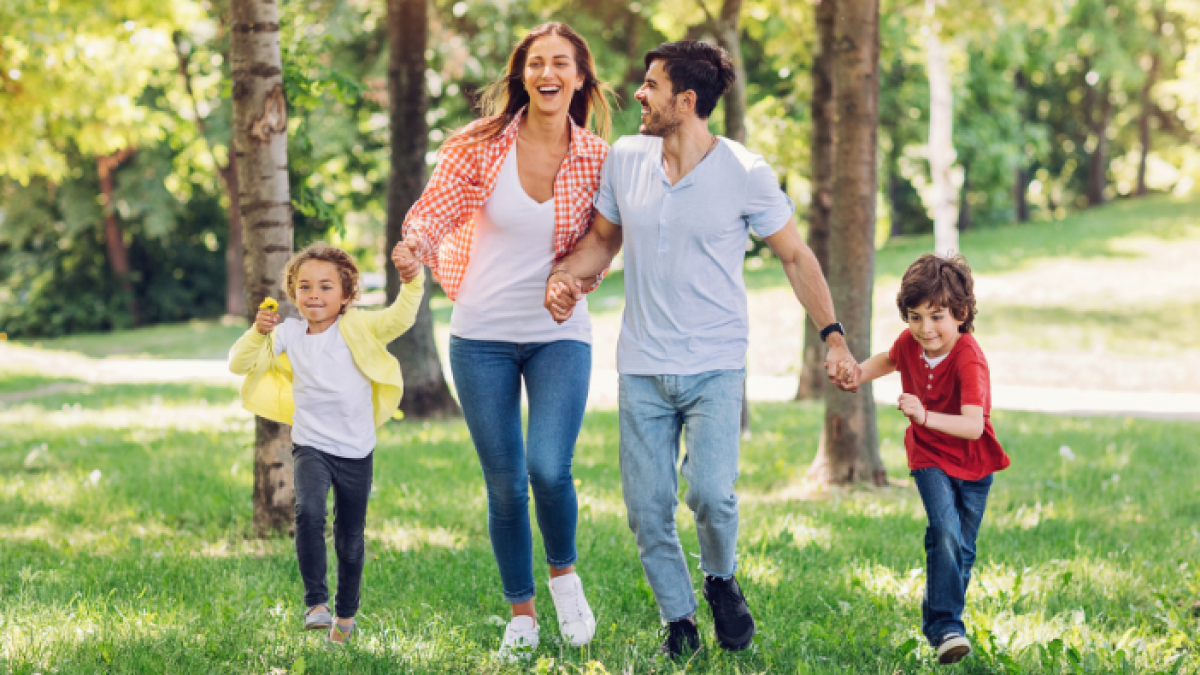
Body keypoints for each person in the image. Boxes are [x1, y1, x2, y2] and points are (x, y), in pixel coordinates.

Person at [543, 40, 855, 660]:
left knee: (712, 494)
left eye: (651, 86)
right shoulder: (626, 158)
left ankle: (719, 580)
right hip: (641, 367)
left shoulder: (744, 172)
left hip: (714, 362)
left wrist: (833, 336)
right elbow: (603, 242)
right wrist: (566, 278)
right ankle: (679, 621)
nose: (638, 93)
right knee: (648, 508)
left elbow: (795, 255)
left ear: (685, 102)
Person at [391, 22, 613, 659]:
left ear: (579, 78)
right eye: (536, 63)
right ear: (521, 76)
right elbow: (440, 206)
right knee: (505, 484)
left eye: (560, 63)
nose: (548, 73)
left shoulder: (598, 156)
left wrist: (575, 280)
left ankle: (564, 576)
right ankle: (522, 611)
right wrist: (417, 248)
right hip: (481, 334)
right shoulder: (480, 144)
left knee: (549, 467)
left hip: (559, 333)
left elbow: (605, 237)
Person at [228, 241, 424, 645]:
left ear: (347, 295)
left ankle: (346, 616)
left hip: (355, 450)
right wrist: (256, 333)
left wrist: (412, 281)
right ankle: (316, 604)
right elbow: (238, 363)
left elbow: (400, 319)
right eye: (304, 287)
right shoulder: (288, 332)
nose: (313, 295)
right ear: (292, 292)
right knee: (309, 513)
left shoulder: (359, 326)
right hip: (311, 445)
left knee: (351, 540)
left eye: (325, 287)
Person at [837, 253, 1010, 664]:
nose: (924, 329)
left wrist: (924, 414)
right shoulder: (909, 343)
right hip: (929, 456)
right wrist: (858, 373)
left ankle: (938, 614)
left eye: (936, 317)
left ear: (961, 313)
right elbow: (889, 359)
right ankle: (947, 627)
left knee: (961, 549)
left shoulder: (969, 356)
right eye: (914, 317)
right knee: (945, 530)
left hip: (973, 464)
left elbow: (972, 426)